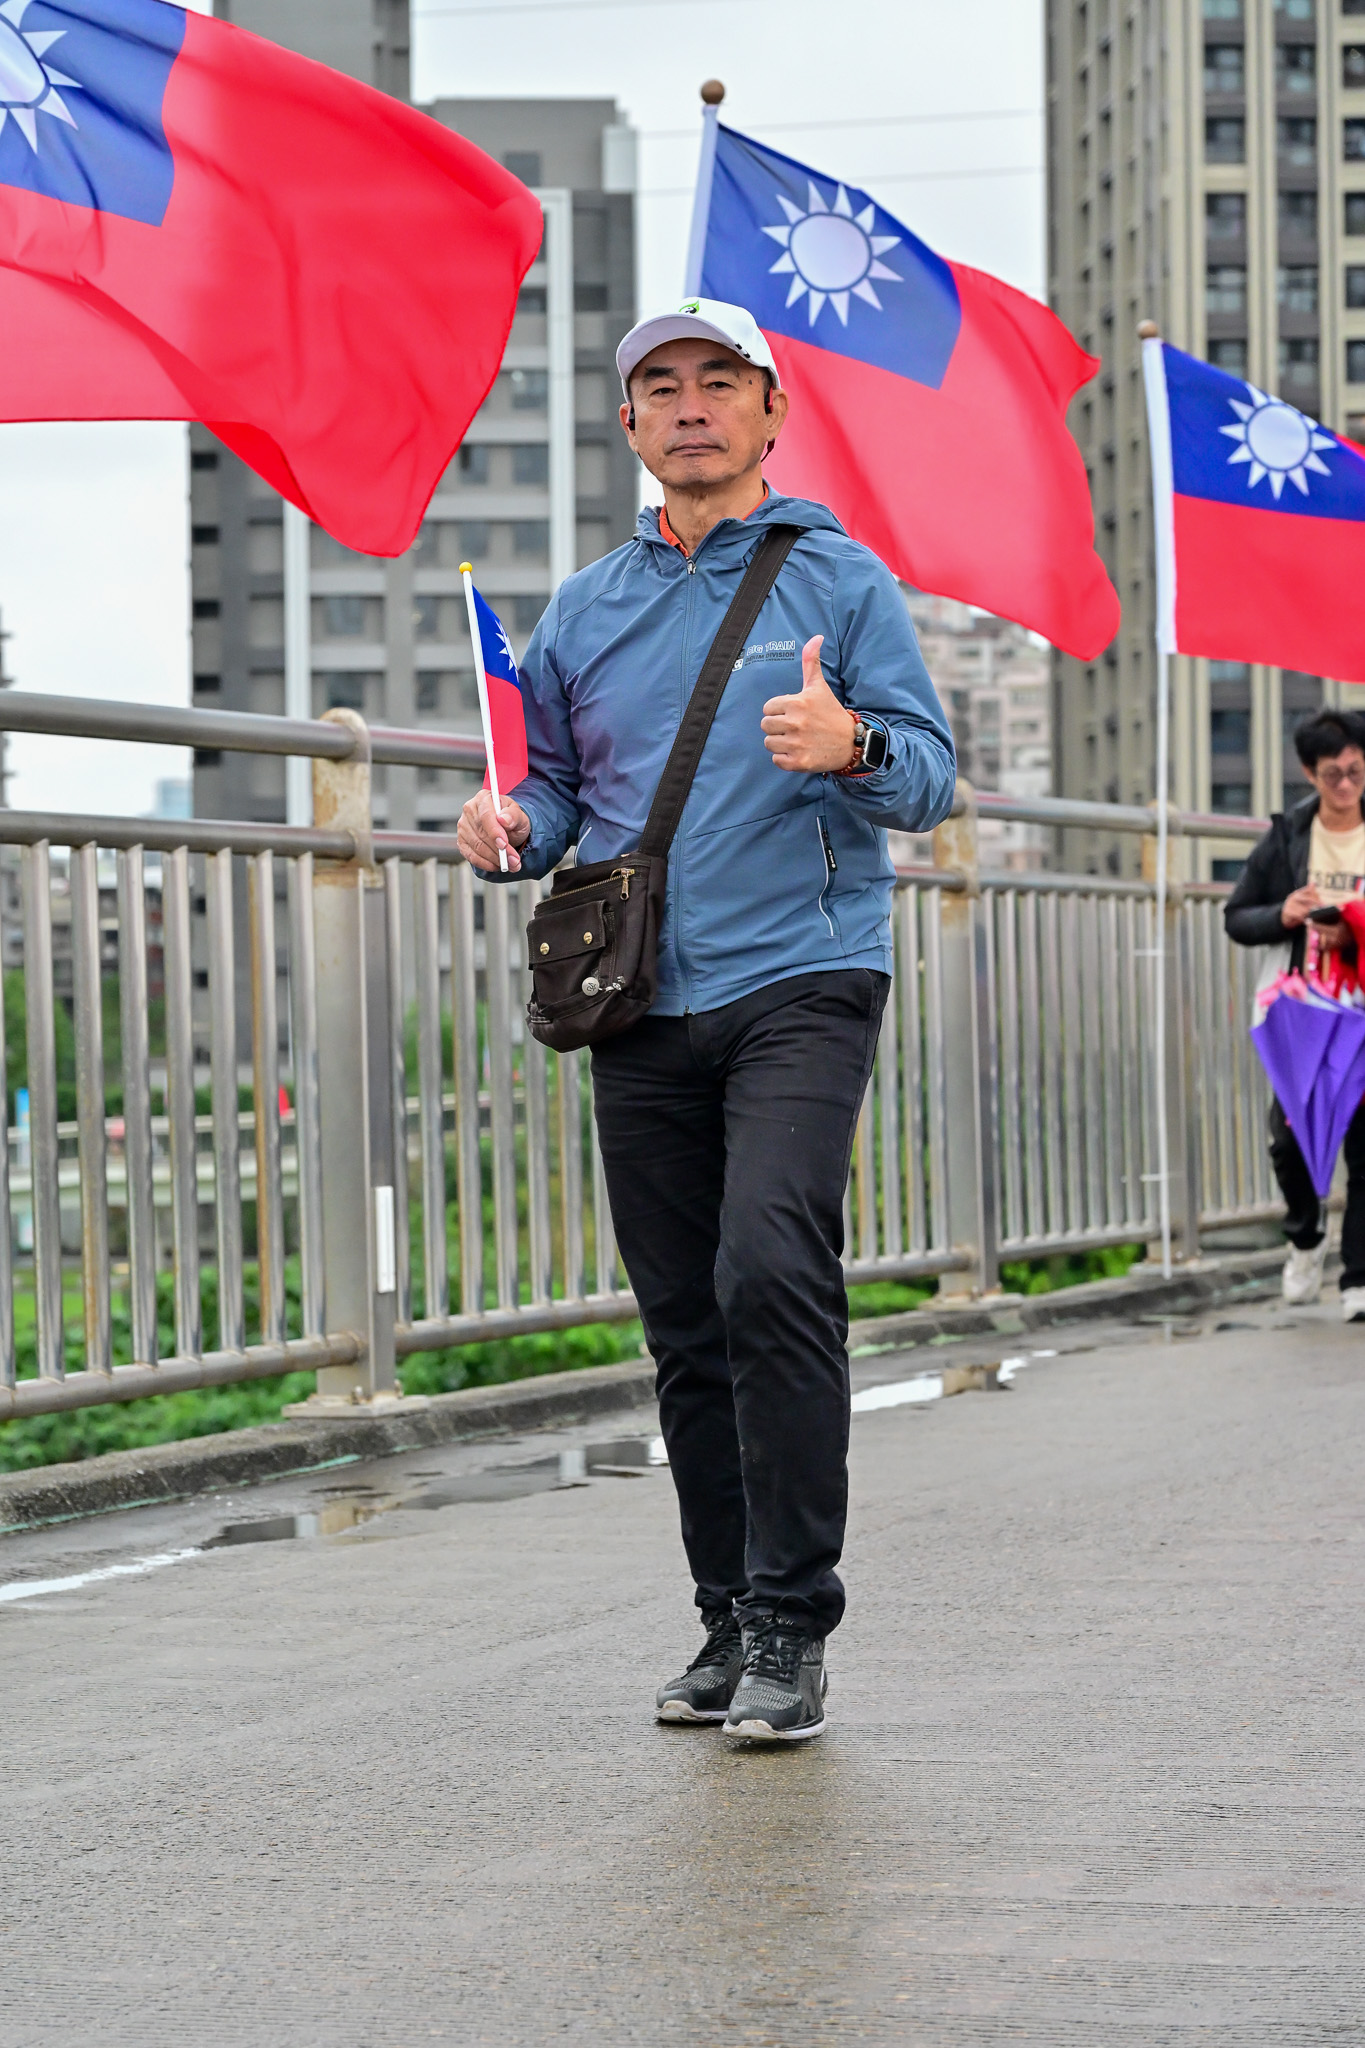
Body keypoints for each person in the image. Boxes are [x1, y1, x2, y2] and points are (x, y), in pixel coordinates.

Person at [457, 297, 955, 1742]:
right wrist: (508, 823)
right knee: (684, 1318)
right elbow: (559, 791)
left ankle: (795, 1618)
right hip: (637, 997)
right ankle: (728, 1614)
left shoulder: (839, 579)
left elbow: (932, 775)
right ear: (628, 423)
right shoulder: (585, 607)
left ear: (770, 411)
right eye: (661, 385)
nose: (690, 405)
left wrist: (851, 743)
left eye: (719, 380)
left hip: (804, 973)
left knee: (768, 1267)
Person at [1224, 708, 1365, 1320]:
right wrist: (1284, 914)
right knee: (1289, 1139)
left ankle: (1358, 1278)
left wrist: (1355, 930)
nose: (1346, 784)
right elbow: (1237, 916)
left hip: (1362, 1012)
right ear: (1310, 772)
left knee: (1364, 1145)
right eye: (1333, 774)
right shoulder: (1288, 837)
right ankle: (1307, 1237)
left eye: (1357, 771)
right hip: (1306, 1015)